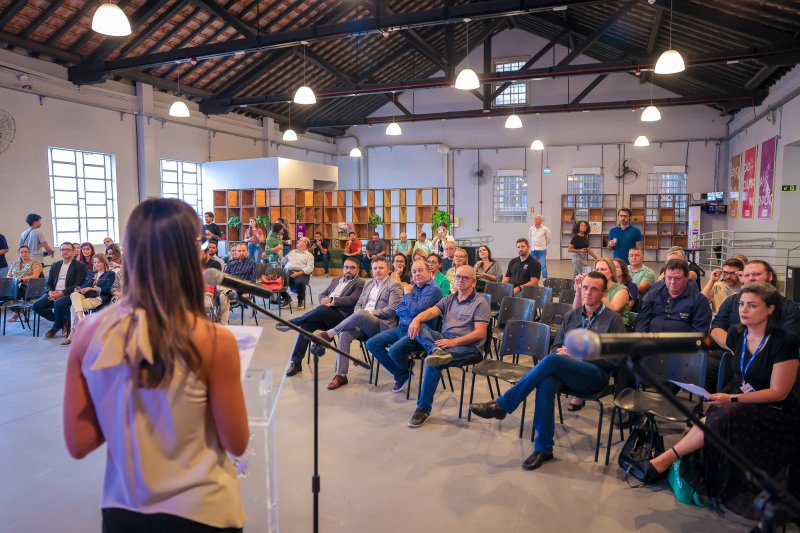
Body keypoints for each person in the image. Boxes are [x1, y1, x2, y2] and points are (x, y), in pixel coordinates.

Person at [62, 198, 248, 532]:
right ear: (191, 253)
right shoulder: (214, 340)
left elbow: (79, 443)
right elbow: (236, 441)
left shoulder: (88, 333)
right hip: (203, 508)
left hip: (124, 509)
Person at [640, 283, 800, 525]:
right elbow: (739, 367)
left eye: (752, 305)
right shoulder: (737, 334)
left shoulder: (784, 342)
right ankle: (670, 459)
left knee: (724, 415)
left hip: (774, 410)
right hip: (741, 395)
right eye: (742, 304)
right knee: (719, 414)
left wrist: (732, 398)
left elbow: (779, 392)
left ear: (770, 309)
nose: (744, 310)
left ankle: (667, 458)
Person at [471, 271, 626, 471]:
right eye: (585, 287)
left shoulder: (613, 320)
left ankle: (503, 404)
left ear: (604, 292)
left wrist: (579, 356)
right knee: (546, 382)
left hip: (595, 376)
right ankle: (543, 448)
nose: (588, 292)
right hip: (568, 373)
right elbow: (556, 348)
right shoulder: (572, 316)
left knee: (552, 361)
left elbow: (616, 359)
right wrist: (565, 355)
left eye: (594, 289)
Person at [404, 265, 491, 428]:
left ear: (473, 282)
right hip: (444, 340)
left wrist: (453, 343)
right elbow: (431, 312)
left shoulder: (480, 303)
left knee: (434, 362)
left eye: (465, 278)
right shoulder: (450, 298)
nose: (460, 280)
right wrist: (416, 319)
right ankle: (435, 350)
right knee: (420, 326)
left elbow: (479, 334)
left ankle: (423, 408)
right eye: (458, 277)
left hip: (469, 347)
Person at [320, 257, 402, 390]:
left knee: (361, 313)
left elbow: (392, 310)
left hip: (381, 326)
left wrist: (368, 313)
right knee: (345, 334)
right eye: (375, 268)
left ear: (388, 269)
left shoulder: (394, 285)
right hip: (363, 323)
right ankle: (341, 375)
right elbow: (358, 305)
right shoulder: (368, 283)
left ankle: (330, 333)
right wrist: (361, 312)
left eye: (381, 268)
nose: (377, 271)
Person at [366, 259, 444, 393]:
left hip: (419, 333)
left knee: (393, 351)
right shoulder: (413, 287)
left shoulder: (434, 290)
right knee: (371, 344)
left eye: (420, 270)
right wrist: (411, 308)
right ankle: (401, 373)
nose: (417, 274)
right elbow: (399, 309)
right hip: (402, 328)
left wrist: (407, 294)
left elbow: (415, 310)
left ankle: (406, 367)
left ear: (429, 271)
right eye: (414, 271)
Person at [285, 257, 365, 377]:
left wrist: (332, 300)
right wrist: (323, 299)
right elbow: (323, 293)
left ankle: (294, 322)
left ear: (358, 269)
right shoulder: (336, 280)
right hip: (325, 314)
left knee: (322, 310)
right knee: (306, 326)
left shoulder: (360, 283)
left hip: (342, 318)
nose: (348, 270)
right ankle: (296, 363)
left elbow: (352, 300)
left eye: (352, 268)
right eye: (346, 267)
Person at [569, 258, 630, 409]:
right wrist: (579, 290)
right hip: (594, 326)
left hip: (616, 329)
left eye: (603, 269)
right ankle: (579, 383)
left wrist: (598, 292)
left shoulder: (621, 289)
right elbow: (576, 311)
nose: (599, 272)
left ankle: (580, 390)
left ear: (612, 272)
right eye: (597, 269)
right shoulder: (590, 288)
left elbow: (613, 310)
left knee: (586, 346)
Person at [636, 257, 711, 334]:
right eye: (669, 278)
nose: (672, 282)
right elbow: (642, 323)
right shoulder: (653, 295)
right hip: (652, 343)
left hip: (684, 344)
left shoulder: (699, 301)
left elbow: (700, 333)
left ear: (687, 277)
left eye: (677, 278)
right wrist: (643, 342)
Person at [33, 242, 87, 339]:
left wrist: (61, 293)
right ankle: (62, 321)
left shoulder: (80, 266)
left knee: (59, 303)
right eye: (63, 249)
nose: (65, 251)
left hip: (69, 294)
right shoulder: (55, 265)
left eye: (68, 249)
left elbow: (78, 284)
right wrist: (50, 292)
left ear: (73, 251)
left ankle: (56, 327)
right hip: (54, 293)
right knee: (36, 306)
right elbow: (48, 282)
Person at [64, 253, 116, 346]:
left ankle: (72, 333)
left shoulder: (110, 274)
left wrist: (92, 288)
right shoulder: (91, 272)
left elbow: (107, 290)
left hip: (99, 297)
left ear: (104, 262)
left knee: (74, 307)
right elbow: (84, 285)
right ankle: (81, 319)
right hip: (86, 295)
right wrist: (80, 288)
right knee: (74, 294)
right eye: (95, 262)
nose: (96, 264)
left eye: (99, 262)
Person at [217, 243, 257, 324]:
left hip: (242, 289)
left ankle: (220, 319)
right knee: (215, 288)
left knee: (223, 296)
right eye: (239, 251)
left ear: (247, 252)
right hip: (229, 287)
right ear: (236, 252)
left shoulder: (253, 264)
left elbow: (253, 282)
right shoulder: (231, 264)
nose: (241, 253)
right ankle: (221, 321)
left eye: (243, 251)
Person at [6, 245, 43, 323]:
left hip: (29, 286)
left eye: (26, 251)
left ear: (29, 253)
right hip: (15, 285)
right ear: (19, 254)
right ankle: (19, 311)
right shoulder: (15, 264)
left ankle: (17, 313)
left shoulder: (35, 263)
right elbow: (9, 275)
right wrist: (13, 280)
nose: (24, 253)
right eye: (21, 252)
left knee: (15, 292)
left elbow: (35, 276)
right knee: (5, 295)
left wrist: (22, 279)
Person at [280, 237, 314, 310]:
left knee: (300, 283)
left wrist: (299, 273)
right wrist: (280, 255)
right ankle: (287, 298)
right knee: (278, 281)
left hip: (302, 273)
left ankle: (300, 300)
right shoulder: (291, 252)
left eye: (300, 240)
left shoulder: (309, 255)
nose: (298, 241)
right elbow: (283, 262)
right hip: (288, 271)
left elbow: (310, 268)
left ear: (305, 244)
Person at [528, 215, 552, 279]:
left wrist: (545, 244)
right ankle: (533, 278)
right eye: (536, 219)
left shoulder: (545, 229)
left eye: (538, 219)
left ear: (541, 221)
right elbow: (530, 238)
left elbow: (549, 239)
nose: (536, 220)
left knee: (543, 265)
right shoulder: (531, 228)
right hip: (533, 250)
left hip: (542, 250)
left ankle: (545, 280)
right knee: (533, 265)